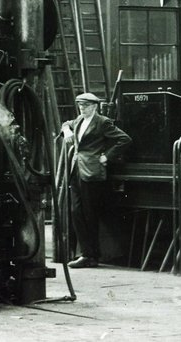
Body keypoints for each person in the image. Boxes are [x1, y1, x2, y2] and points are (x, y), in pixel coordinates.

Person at [60, 92, 132, 268]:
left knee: (89, 214)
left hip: (92, 171)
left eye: (85, 105)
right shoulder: (78, 121)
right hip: (76, 170)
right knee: (76, 212)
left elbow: (124, 139)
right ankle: (86, 254)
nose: (82, 108)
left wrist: (107, 157)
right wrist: (66, 130)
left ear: (94, 106)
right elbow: (65, 124)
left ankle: (92, 256)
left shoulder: (102, 122)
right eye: (80, 105)